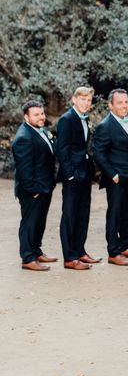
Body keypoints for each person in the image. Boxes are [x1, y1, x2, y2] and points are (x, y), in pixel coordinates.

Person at [92, 88, 128, 266]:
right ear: (110, 105)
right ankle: (114, 252)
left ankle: (125, 246)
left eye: (126, 102)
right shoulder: (105, 126)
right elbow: (98, 153)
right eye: (120, 102)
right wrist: (112, 174)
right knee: (114, 214)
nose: (124, 106)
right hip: (117, 178)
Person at [55, 86, 100, 270]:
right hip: (73, 176)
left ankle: (80, 251)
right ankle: (70, 257)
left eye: (89, 100)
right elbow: (62, 150)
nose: (86, 103)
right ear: (74, 99)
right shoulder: (67, 119)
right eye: (83, 99)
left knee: (83, 214)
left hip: (85, 174)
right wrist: (70, 175)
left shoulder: (85, 118)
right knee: (70, 215)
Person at [11, 100, 57, 271]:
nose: (41, 117)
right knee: (29, 223)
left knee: (39, 222)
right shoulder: (24, 137)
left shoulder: (38, 131)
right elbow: (24, 169)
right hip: (32, 190)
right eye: (36, 115)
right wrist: (33, 190)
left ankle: (36, 251)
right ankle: (28, 258)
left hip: (44, 186)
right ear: (26, 117)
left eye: (42, 113)